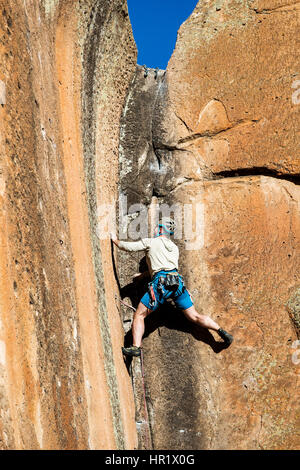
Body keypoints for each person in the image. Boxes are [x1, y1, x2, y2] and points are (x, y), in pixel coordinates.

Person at [111, 217, 233, 356]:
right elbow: (167, 267)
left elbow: (128, 247)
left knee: (139, 315)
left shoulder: (151, 242)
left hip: (160, 284)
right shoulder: (174, 248)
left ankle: (136, 347)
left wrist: (115, 240)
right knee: (194, 316)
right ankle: (221, 331)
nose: (155, 229)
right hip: (178, 285)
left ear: (161, 229)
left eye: (157, 227)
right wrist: (143, 275)